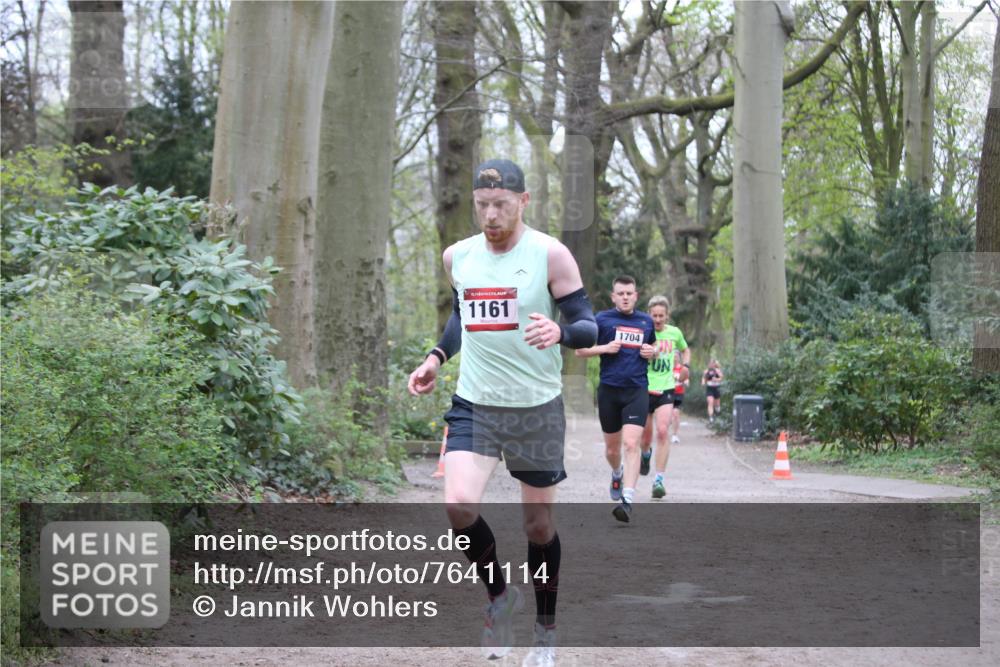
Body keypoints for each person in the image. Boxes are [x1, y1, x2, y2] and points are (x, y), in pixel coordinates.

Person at [408, 159, 597, 666]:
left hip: (535, 408)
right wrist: (435, 358)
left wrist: (561, 331)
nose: (491, 215)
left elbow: (588, 324)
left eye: (501, 206)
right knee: (459, 505)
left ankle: (545, 631)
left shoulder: (550, 255)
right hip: (476, 404)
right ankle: (499, 598)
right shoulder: (458, 256)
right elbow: (461, 316)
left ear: (523, 201)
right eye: (482, 205)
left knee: (538, 526)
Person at [575, 276, 655, 522]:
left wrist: (652, 352)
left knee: (631, 444)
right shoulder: (602, 320)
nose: (625, 297)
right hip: (609, 391)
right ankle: (617, 472)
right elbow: (580, 350)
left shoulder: (646, 321)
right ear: (613, 296)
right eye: (620, 293)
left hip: (636, 390)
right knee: (612, 449)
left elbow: (652, 349)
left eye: (629, 293)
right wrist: (604, 348)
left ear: (636, 295)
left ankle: (627, 500)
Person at [638, 296, 689, 499]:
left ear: (667, 315)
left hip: (667, 387)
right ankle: (645, 454)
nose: (657, 319)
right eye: (654, 315)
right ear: (649, 314)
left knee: (662, 431)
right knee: (645, 437)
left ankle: (658, 480)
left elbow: (685, 349)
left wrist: (686, 367)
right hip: (644, 387)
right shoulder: (643, 331)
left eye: (661, 315)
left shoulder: (674, 333)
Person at [671, 359, 691, 443]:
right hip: (667, 392)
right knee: (668, 415)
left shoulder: (682, 368)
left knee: (675, 413)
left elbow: (686, 379)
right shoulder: (668, 367)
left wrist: (686, 381)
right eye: (673, 356)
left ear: (679, 358)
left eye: (676, 356)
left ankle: (675, 435)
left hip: (678, 394)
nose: (675, 358)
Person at [702, 359, 724, 423]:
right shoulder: (706, 371)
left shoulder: (717, 370)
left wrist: (716, 379)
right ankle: (711, 417)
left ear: (714, 364)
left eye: (712, 363)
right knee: (710, 402)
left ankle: (717, 414)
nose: (711, 365)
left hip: (717, 388)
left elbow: (721, 378)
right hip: (709, 388)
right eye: (709, 363)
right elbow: (703, 378)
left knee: (717, 405)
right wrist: (703, 382)